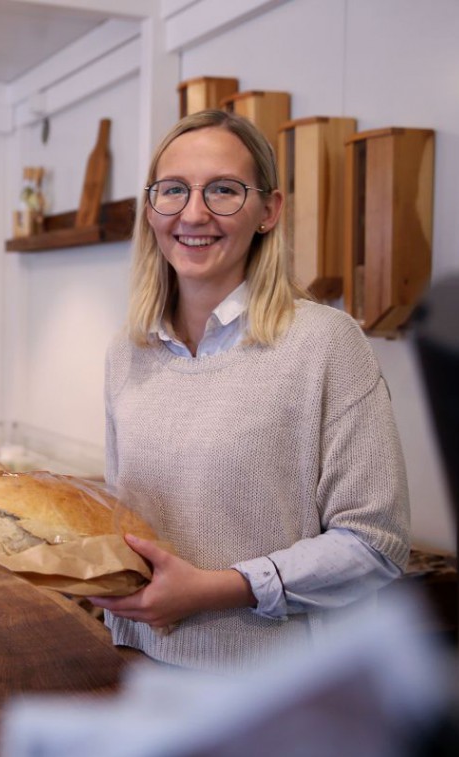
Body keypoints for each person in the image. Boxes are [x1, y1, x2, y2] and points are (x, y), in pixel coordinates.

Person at [89, 109, 410, 673]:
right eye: (173, 191)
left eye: (223, 191)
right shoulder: (127, 352)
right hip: (139, 663)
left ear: (269, 210)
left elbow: (375, 543)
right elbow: (125, 520)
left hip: (278, 690)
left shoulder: (325, 343)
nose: (193, 213)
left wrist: (219, 588)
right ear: (150, 208)